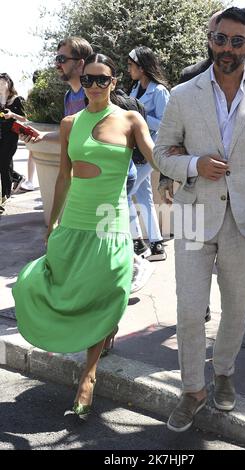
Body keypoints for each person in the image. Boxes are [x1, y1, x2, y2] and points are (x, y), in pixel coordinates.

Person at [154, 7, 245, 432]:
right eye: (220, 39)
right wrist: (195, 164)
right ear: (210, 38)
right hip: (195, 215)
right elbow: (162, 155)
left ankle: (225, 373)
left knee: (236, 310)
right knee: (191, 308)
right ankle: (193, 389)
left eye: (237, 41)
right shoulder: (182, 94)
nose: (227, 48)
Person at [13, 52, 156, 419]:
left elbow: (156, 158)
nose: (94, 86)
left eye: (102, 80)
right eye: (89, 79)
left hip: (109, 222)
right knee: (55, 287)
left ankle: (88, 376)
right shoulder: (68, 123)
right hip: (74, 219)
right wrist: (52, 223)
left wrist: (186, 168)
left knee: (106, 288)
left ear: (113, 83)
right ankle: (102, 332)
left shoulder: (129, 119)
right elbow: (64, 176)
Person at [128, 46, 169, 261]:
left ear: (142, 67)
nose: (129, 69)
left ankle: (137, 242)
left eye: (131, 65)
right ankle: (156, 245)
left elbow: (166, 124)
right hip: (137, 151)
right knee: (144, 196)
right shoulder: (134, 89)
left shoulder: (160, 91)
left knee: (123, 193)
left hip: (151, 152)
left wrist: (139, 117)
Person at [0, 73, 27, 212]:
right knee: (4, 164)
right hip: (0, 135)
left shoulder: (17, 100)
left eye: (2, 83)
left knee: (4, 164)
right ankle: (17, 178)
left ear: (9, 83)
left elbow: (25, 118)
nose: (0, 85)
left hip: (10, 136)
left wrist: (12, 115)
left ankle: (4, 197)